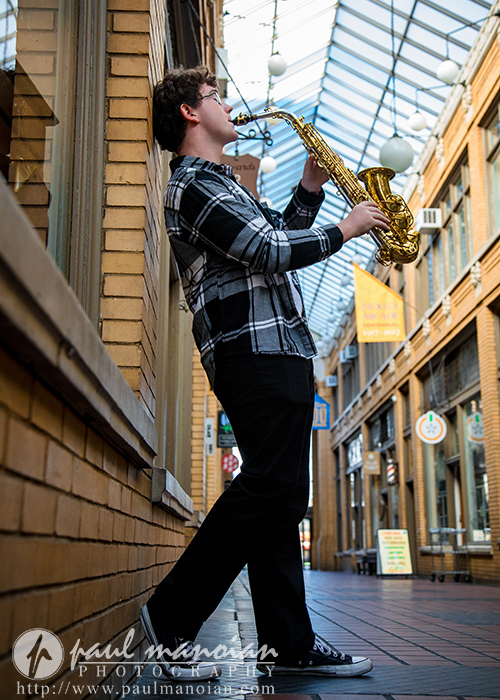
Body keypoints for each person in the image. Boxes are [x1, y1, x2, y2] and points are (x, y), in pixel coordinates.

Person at [140, 66, 390, 681]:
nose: (228, 104)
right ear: (190, 115)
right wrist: (346, 228)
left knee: (281, 497)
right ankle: (170, 617)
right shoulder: (194, 183)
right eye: (214, 96)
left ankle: (287, 646)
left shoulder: (220, 181)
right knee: (271, 489)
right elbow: (269, 252)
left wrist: (309, 189)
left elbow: (276, 234)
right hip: (253, 353)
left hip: (276, 349)